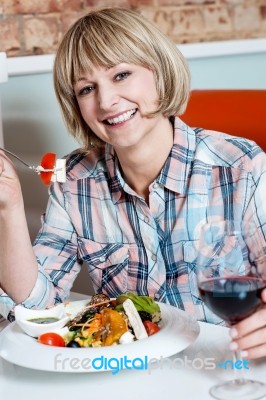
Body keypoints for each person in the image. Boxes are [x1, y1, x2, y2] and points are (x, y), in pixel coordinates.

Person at [0, 8, 266, 360]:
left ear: (159, 71)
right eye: (87, 88)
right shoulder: (77, 181)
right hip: (128, 375)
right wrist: (9, 208)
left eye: (121, 75)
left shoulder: (241, 166)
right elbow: (38, 309)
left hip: (226, 368)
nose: (106, 101)